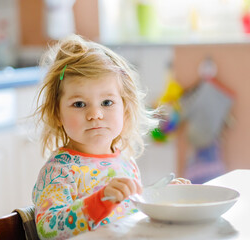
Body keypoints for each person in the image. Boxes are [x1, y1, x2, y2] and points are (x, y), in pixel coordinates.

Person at [31, 34, 189, 239]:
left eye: (106, 102)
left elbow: (130, 214)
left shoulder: (124, 161)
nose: (95, 114)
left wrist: (160, 197)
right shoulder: (60, 171)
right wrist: (100, 201)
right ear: (57, 114)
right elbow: (48, 231)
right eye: (79, 104)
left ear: (125, 109)